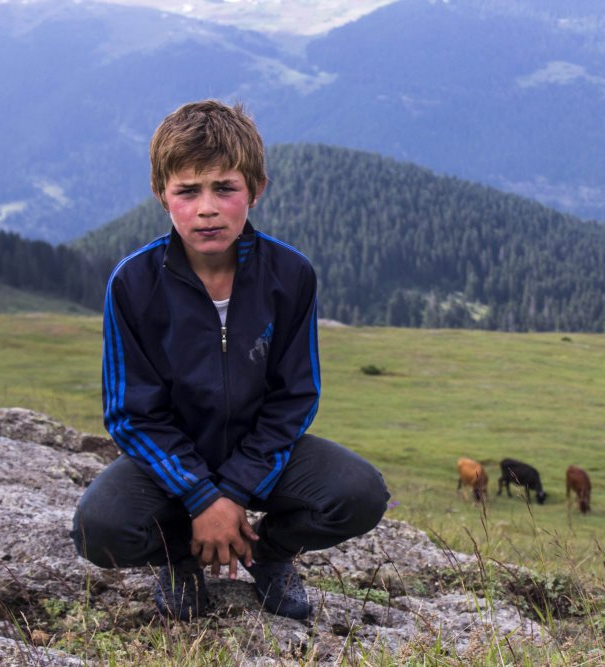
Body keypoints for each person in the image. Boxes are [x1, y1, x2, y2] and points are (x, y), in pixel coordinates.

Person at [71, 100, 390, 621]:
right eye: (187, 191)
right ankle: (180, 559)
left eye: (225, 188)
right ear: (161, 194)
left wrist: (236, 490)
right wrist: (200, 497)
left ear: (256, 189)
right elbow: (132, 413)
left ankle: (269, 554)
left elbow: (294, 397)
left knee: (360, 494)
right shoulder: (133, 284)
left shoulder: (290, 275)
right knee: (97, 527)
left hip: (261, 457)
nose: (207, 208)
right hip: (171, 465)